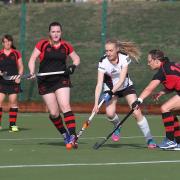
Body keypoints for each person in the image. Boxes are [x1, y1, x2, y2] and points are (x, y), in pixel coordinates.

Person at [93, 39, 156, 149]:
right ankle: (117, 125)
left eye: (111, 50)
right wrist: (95, 104)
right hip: (110, 88)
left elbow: (122, 79)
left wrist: (111, 92)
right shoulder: (103, 61)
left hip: (126, 86)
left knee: (136, 112)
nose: (108, 53)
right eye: (106, 50)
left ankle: (149, 138)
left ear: (117, 49)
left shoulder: (124, 58)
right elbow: (99, 84)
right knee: (110, 113)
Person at [28, 22, 80, 150]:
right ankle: (64, 133)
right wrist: (31, 71)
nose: (56, 34)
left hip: (61, 79)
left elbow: (77, 58)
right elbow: (32, 59)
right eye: (53, 32)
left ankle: (72, 135)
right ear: (49, 33)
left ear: (61, 32)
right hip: (45, 81)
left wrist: (72, 67)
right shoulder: (42, 44)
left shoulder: (66, 46)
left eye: (58, 31)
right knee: (54, 113)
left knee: (65, 105)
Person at [132, 49, 180, 150]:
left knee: (165, 108)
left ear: (157, 61)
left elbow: (149, 88)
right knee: (171, 113)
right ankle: (178, 142)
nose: (148, 64)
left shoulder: (162, 71)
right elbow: (175, 82)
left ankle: (170, 141)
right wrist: (162, 92)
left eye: (150, 61)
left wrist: (139, 100)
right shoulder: (171, 65)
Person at [0, 34, 23, 132]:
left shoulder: (16, 53)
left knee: (13, 102)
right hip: (2, 81)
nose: (7, 43)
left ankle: (12, 125)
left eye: (9, 41)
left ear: (11, 42)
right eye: (5, 41)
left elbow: (21, 66)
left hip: (14, 81)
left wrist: (19, 76)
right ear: (2, 43)